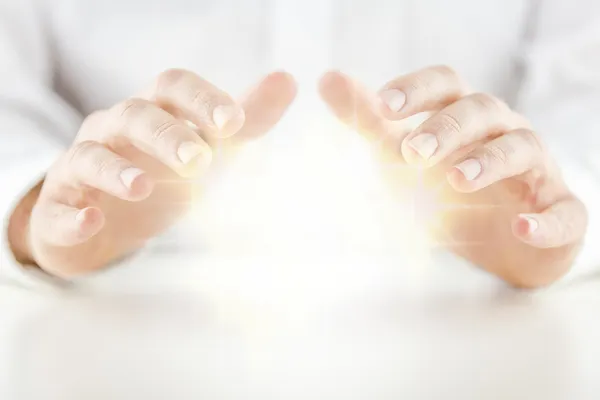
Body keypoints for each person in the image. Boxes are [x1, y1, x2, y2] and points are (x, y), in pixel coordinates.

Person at [1, 0, 599, 290]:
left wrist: (552, 209)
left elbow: (586, 95)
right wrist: (35, 210)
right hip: (106, 315)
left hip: (483, 317)